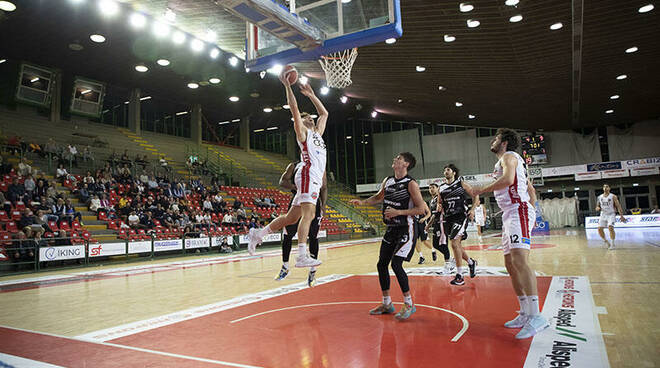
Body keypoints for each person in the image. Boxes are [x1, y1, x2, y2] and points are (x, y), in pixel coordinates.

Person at [471, 128, 549, 339]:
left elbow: (508, 180)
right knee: (509, 264)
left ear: (504, 142)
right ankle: (524, 312)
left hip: (518, 211)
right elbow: (530, 189)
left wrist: (480, 189)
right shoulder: (506, 160)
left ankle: (536, 316)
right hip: (511, 214)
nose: (492, 141)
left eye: (496, 138)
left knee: (520, 261)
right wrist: (531, 212)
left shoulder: (509, 157)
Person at [247, 74, 328, 269]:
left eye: (310, 116)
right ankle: (301, 255)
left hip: (313, 177)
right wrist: (287, 86)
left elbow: (324, 114)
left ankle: (259, 234)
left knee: (291, 218)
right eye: (305, 116)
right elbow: (294, 108)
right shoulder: (303, 133)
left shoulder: (317, 133)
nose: (309, 117)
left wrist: (311, 95)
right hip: (308, 174)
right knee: (309, 214)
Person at [349, 153, 426, 320]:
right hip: (391, 229)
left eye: (398, 158)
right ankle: (387, 303)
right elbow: (378, 197)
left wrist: (399, 212)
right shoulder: (388, 181)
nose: (395, 159)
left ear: (406, 164)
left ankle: (409, 303)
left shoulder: (411, 184)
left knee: (396, 264)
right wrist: (362, 202)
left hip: (407, 229)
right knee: (381, 265)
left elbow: (421, 209)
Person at [274, 161, 327, 287]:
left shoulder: (320, 166)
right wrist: (296, 186)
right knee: (287, 235)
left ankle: (312, 272)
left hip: (314, 202)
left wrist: (323, 206)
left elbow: (324, 187)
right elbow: (282, 181)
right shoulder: (294, 165)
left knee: (314, 237)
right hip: (298, 201)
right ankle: (285, 266)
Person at [437, 164, 479, 286]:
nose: (446, 172)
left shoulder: (461, 184)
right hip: (448, 218)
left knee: (454, 243)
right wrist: (439, 206)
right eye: (444, 170)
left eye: (448, 170)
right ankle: (471, 262)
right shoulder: (442, 187)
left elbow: (475, 195)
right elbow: (440, 202)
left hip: (461, 216)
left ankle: (460, 275)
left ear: (454, 173)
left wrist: (472, 209)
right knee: (457, 246)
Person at [424, 182, 454, 273]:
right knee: (436, 244)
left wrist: (428, 225)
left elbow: (436, 214)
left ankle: (447, 265)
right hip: (437, 223)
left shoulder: (439, 199)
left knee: (443, 243)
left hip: (442, 223)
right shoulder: (432, 200)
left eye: (433, 187)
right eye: (429, 188)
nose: (431, 189)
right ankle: (451, 259)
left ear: (438, 189)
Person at [595, 184, 626, 250]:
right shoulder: (599, 197)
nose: (605, 188)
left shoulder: (613, 196)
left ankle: (612, 244)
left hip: (611, 214)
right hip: (603, 214)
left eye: (607, 187)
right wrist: (597, 208)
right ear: (603, 188)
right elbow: (597, 206)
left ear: (609, 188)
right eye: (604, 187)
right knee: (599, 229)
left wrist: (621, 216)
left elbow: (618, 206)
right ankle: (606, 241)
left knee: (610, 227)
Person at [415, 199, 435, 265]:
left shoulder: (422, 202)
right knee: (415, 240)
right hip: (414, 223)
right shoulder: (410, 203)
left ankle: (433, 250)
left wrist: (424, 218)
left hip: (422, 223)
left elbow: (429, 213)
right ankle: (421, 257)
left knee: (424, 241)